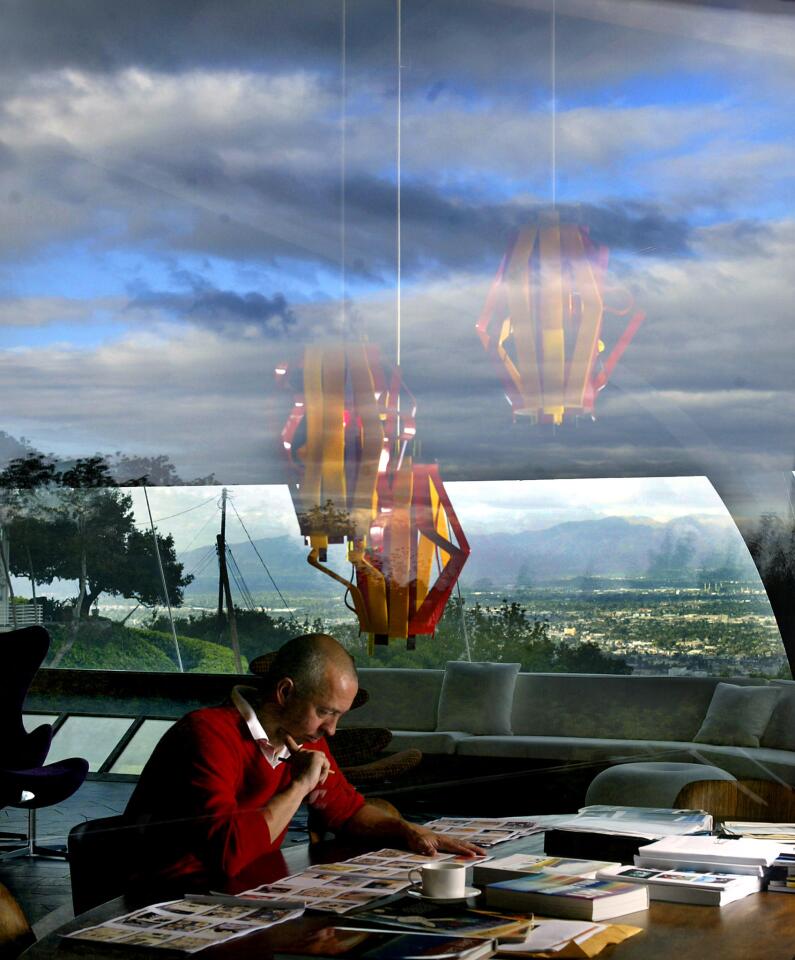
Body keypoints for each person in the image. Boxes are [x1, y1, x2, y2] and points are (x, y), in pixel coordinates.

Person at [124, 633, 484, 893]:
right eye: (325, 712)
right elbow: (229, 854)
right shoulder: (206, 734)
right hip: (169, 894)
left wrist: (406, 830)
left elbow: (346, 810)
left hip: (244, 889)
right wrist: (299, 786)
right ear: (284, 692)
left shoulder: (300, 736)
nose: (331, 730)